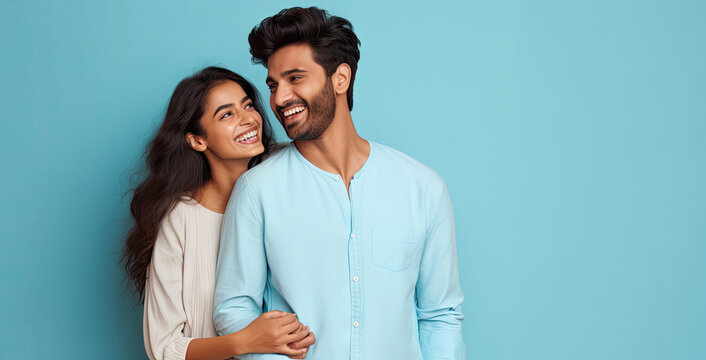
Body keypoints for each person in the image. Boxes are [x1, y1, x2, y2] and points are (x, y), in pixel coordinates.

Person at [214, 7, 465, 360]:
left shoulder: (422, 188)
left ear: (340, 79)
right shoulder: (257, 191)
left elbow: (441, 316)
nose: (279, 98)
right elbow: (235, 308)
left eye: (295, 78)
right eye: (273, 85)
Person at [122, 67, 315, 360]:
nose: (248, 119)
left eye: (248, 105)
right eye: (227, 114)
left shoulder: (292, 167)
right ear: (198, 140)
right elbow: (164, 347)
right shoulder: (181, 220)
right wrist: (244, 341)